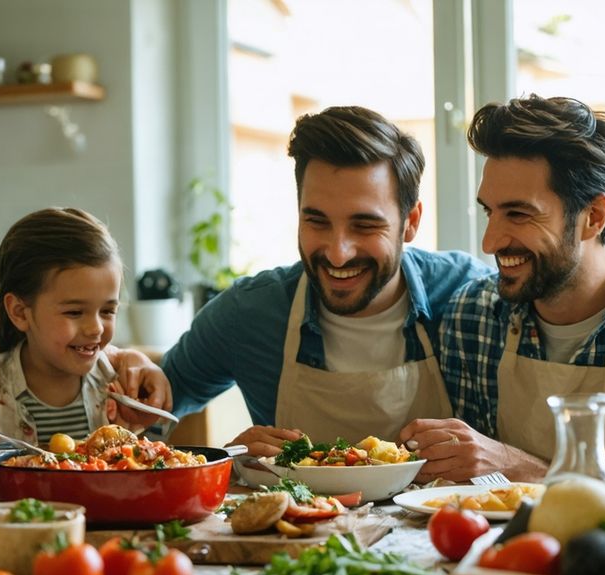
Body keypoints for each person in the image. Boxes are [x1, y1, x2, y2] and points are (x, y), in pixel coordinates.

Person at [401, 95, 605, 482]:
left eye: (519, 214)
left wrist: (522, 468)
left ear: (593, 217)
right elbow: (470, 491)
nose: (489, 243)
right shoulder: (473, 314)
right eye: (490, 212)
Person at [162, 106, 490, 456]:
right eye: (317, 221)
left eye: (364, 225)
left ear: (410, 222)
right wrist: (228, 461)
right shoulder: (250, 312)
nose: (337, 254)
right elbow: (141, 415)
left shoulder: (469, 298)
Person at [0, 207, 172, 446]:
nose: (96, 328)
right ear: (19, 312)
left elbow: (152, 461)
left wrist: (146, 418)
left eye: (108, 310)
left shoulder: (120, 383)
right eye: (75, 312)